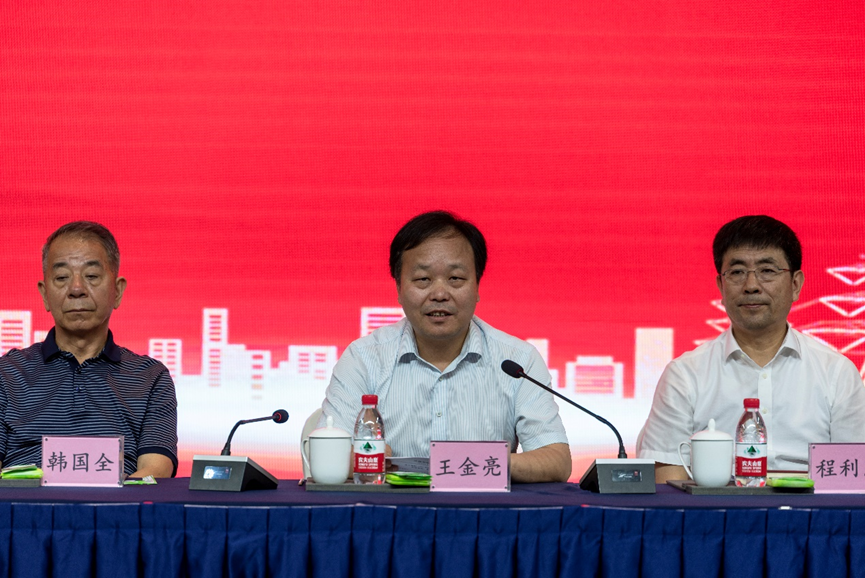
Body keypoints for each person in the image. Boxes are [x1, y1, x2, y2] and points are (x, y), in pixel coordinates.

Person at [320, 211, 571, 483]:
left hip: (484, 508)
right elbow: (326, 458)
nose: (440, 294)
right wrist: (371, 458)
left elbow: (556, 460)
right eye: (423, 279)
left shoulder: (517, 360)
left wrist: (472, 463)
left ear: (477, 286)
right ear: (399, 288)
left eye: (455, 279)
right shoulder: (363, 359)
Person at [637, 215, 865, 483]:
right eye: (737, 272)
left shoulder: (837, 373)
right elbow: (667, 477)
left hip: (810, 508)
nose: (752, 286)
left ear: (795, 285)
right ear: (721, 286)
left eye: (767, 271)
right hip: (716, 508)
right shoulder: (685, 374)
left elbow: (852, 477)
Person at [0, 221, 178, 477]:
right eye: (62, 278)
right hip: (24, 502)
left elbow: (156, 469)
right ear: (45, 294)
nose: (76, 289)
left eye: (91, 276)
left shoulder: (151, 377)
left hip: (119, 502)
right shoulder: (6, 374)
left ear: (117, 291)